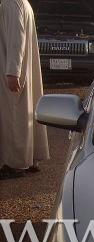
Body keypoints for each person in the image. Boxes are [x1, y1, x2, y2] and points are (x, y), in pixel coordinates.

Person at [0, 0, 49, 180]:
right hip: (19, 69)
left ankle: (15, 163)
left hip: (11, 70)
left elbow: (17, 39)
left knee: (13, 115)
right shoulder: (22, 3)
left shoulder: (11, 3)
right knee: (24, 113)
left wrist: (13, 72)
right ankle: (32, 156)